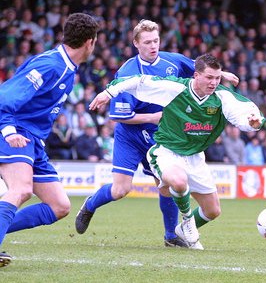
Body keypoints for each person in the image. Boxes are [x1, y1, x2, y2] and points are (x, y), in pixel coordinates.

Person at [75, 20, 239, 248]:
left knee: (166, 186)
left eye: (156, 41)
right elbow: (121, 116)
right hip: (131, 136)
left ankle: (171, 236)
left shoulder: (172, 60)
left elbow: (200, 69)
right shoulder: (127, 71)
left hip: (161, 136)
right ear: (136, 43)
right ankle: (90, 205)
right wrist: (155, 117)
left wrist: (226, 75)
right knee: (121, 189)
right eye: (147, 42)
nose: (153, 46)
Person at [89, 53, 265, 249]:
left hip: (195, 157)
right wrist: (109, 93)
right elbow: (139, 80)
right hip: (166, 152)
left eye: (217, 78)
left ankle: (180, 230)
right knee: (179, 182)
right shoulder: (175, 88)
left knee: (213, 211)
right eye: (209, 77)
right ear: (196, 75)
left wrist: (252, 123)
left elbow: (244, 112)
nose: (214, 82)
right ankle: (187, 221)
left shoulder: (222, 97)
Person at [0, 13, 99, 267]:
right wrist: (9, 130)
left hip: (34, 141)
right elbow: (4, 98)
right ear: (90, 42)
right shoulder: (50, 65)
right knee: (20, 189)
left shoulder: (67, 68)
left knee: (59, 205)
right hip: (17, 133)